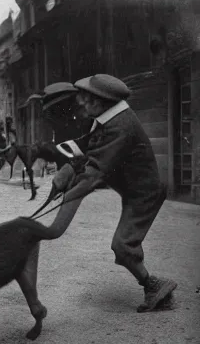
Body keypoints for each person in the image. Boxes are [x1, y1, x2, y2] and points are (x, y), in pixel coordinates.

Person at [55, 74, 177, 311]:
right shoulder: (107, 119)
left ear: (102, 101)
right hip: (134, 189)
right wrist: (68, 167)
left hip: (145, 193)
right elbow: (88, 144)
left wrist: (68, 195)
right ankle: (154, 287)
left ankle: (155, 287)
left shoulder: (119, 127)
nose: (81, 102)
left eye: (87, 99)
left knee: (123, 244)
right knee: (123, 245)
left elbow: (95, 171)